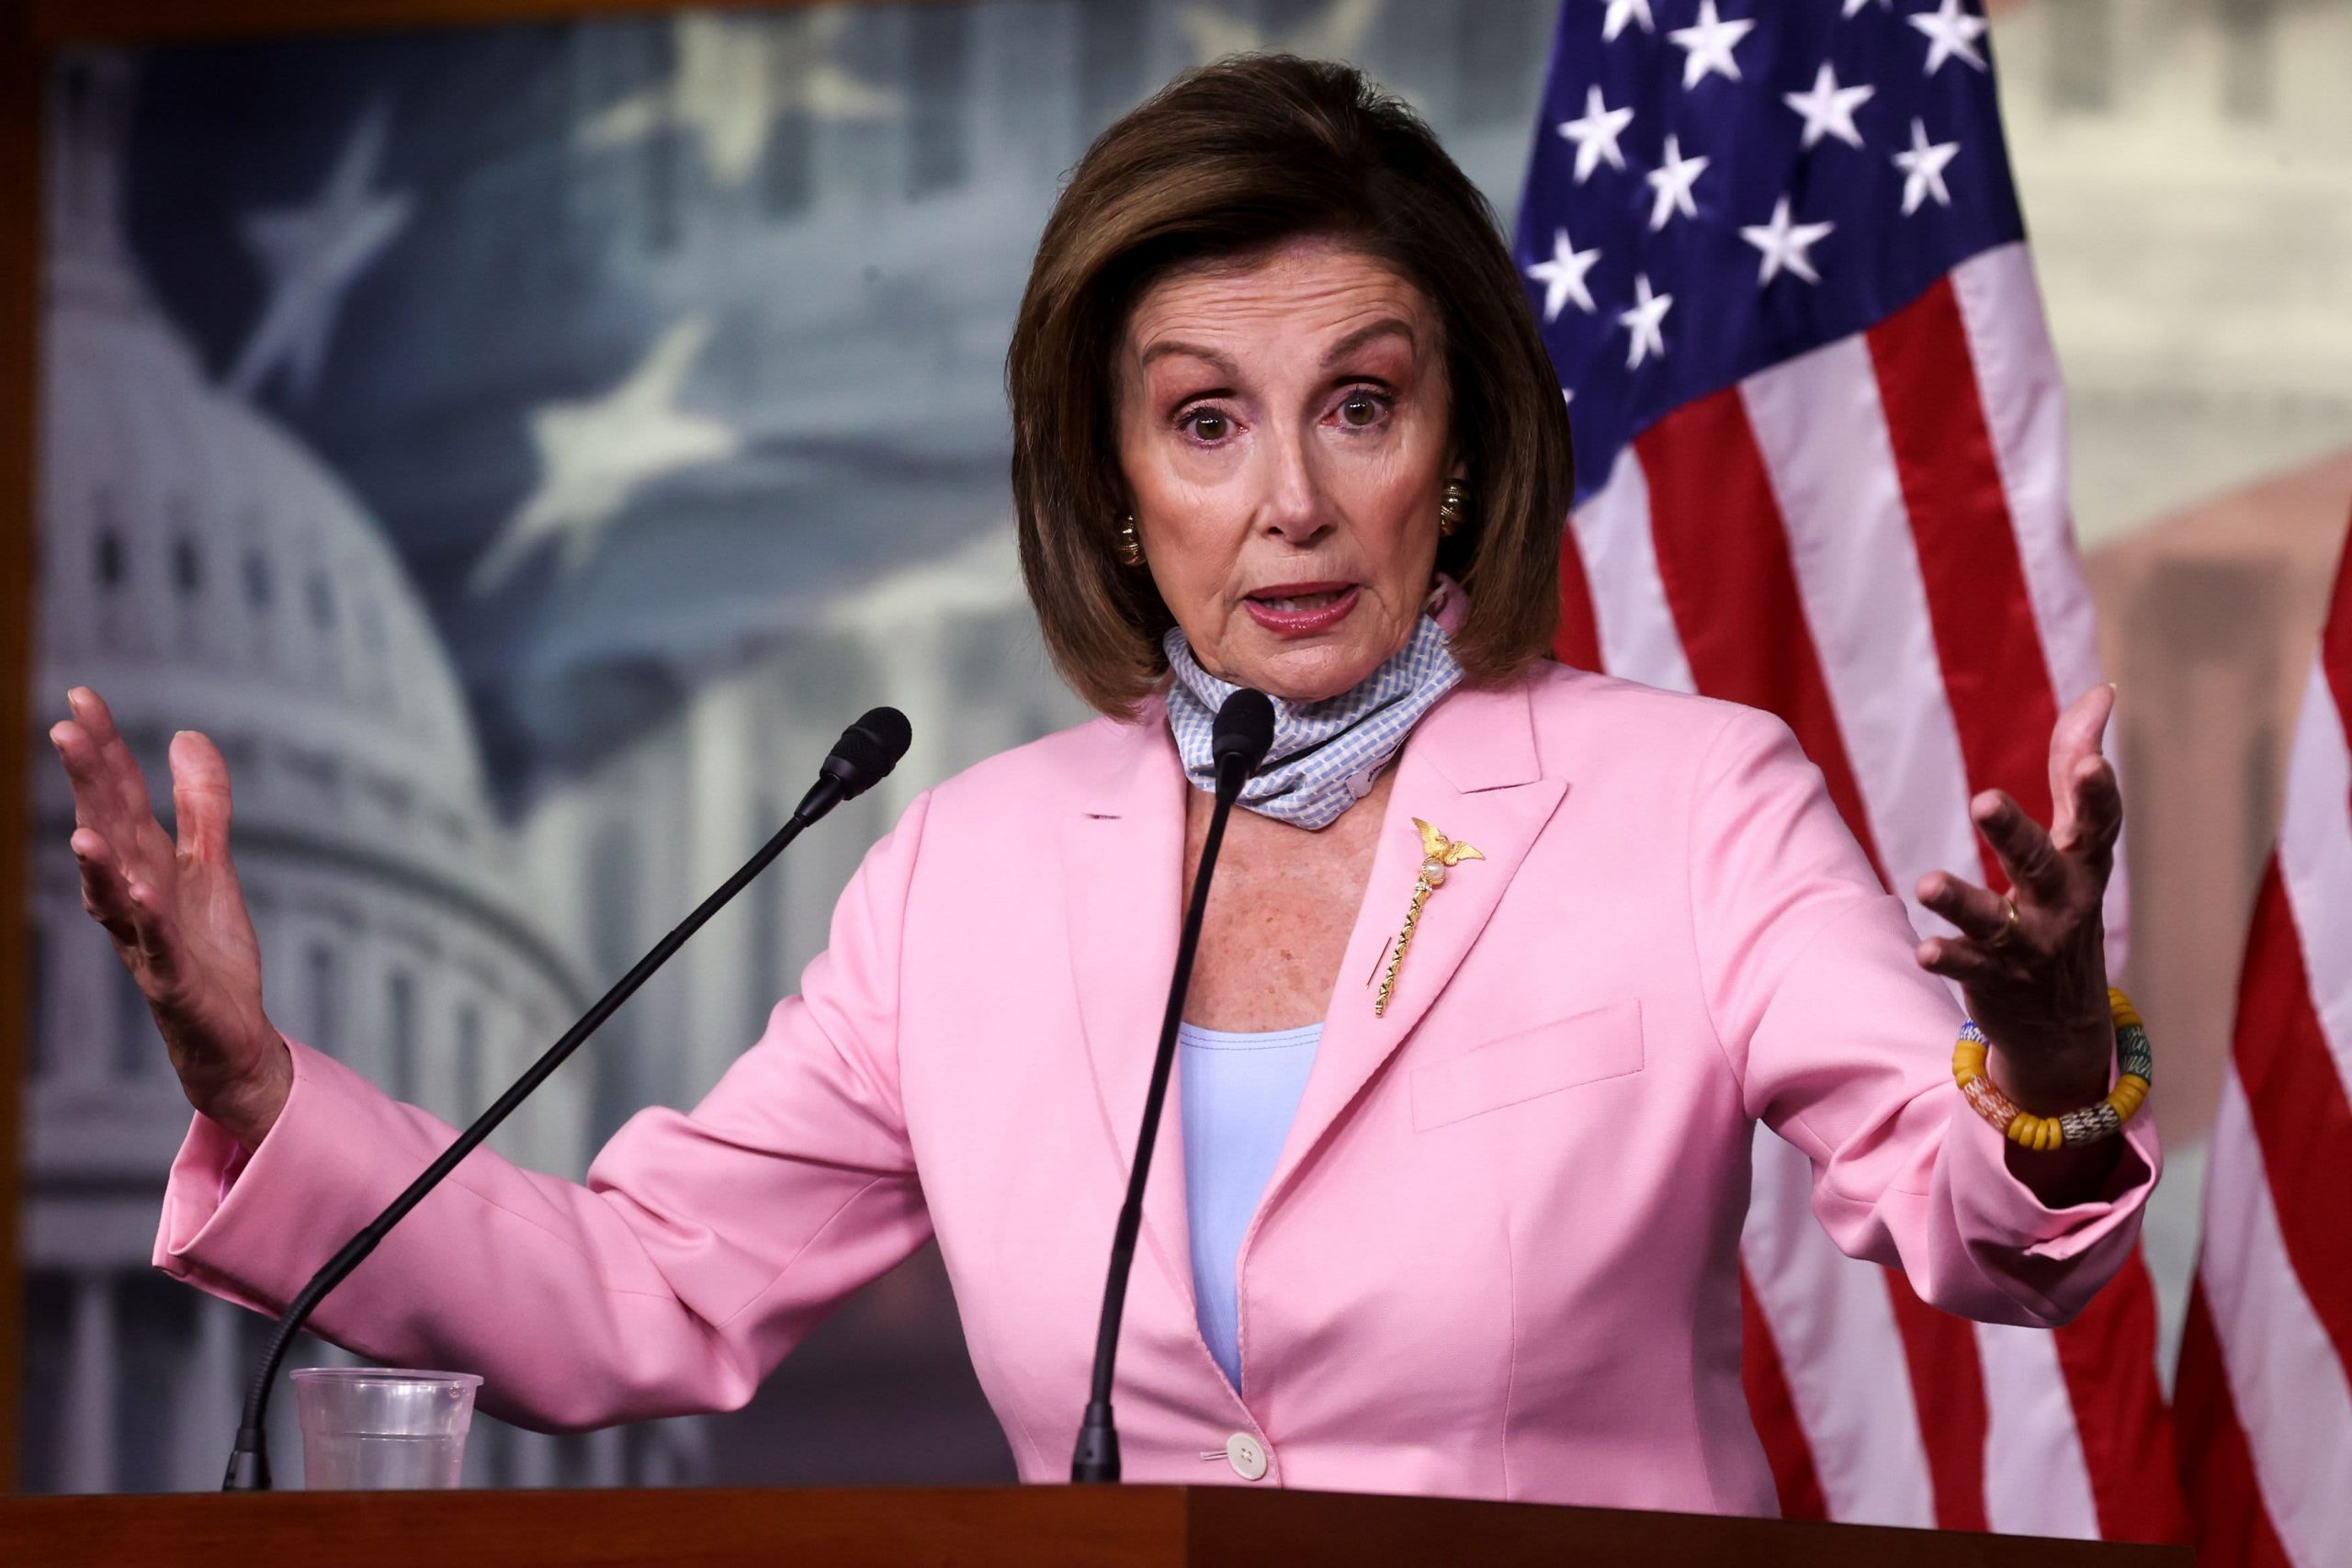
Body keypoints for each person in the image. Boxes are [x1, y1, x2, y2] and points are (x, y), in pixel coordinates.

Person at [49, 57, 2154, 1514]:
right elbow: (640, 1291)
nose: (1292, 500)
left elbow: (1976, 1221)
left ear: (1458, 455)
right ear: (1116, 483)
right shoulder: (961, 872)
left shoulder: (1687, 802)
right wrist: (257, 1083)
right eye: (1204, 422)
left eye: (1358, 403)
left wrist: (2052, 1066)